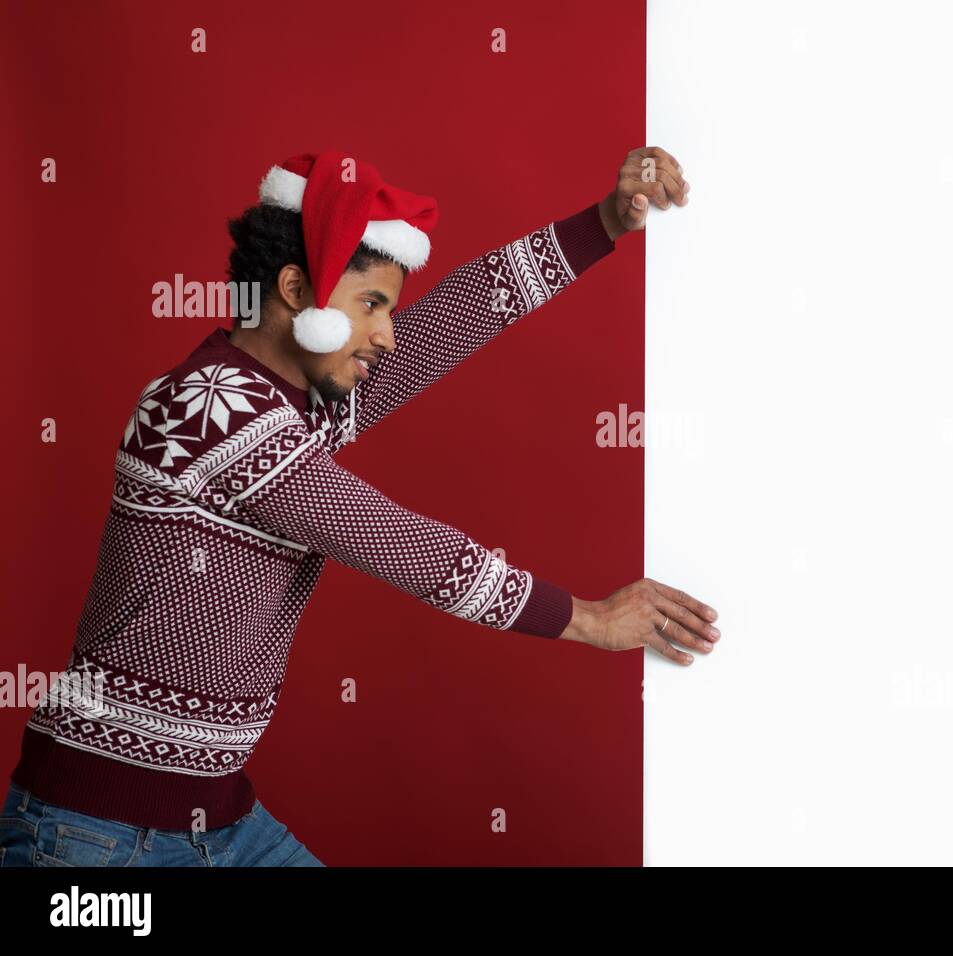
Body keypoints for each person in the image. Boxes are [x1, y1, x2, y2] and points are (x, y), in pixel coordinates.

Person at [1, 147, 715, 867]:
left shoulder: (301, 402)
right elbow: (398, 542)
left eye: (389, 309)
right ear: (294, 289)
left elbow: (456, 319)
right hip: (91, 837)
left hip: (217, 822)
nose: (387, 334)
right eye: (370, 304)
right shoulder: (209, 407)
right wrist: (591, 619)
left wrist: (605, 223)